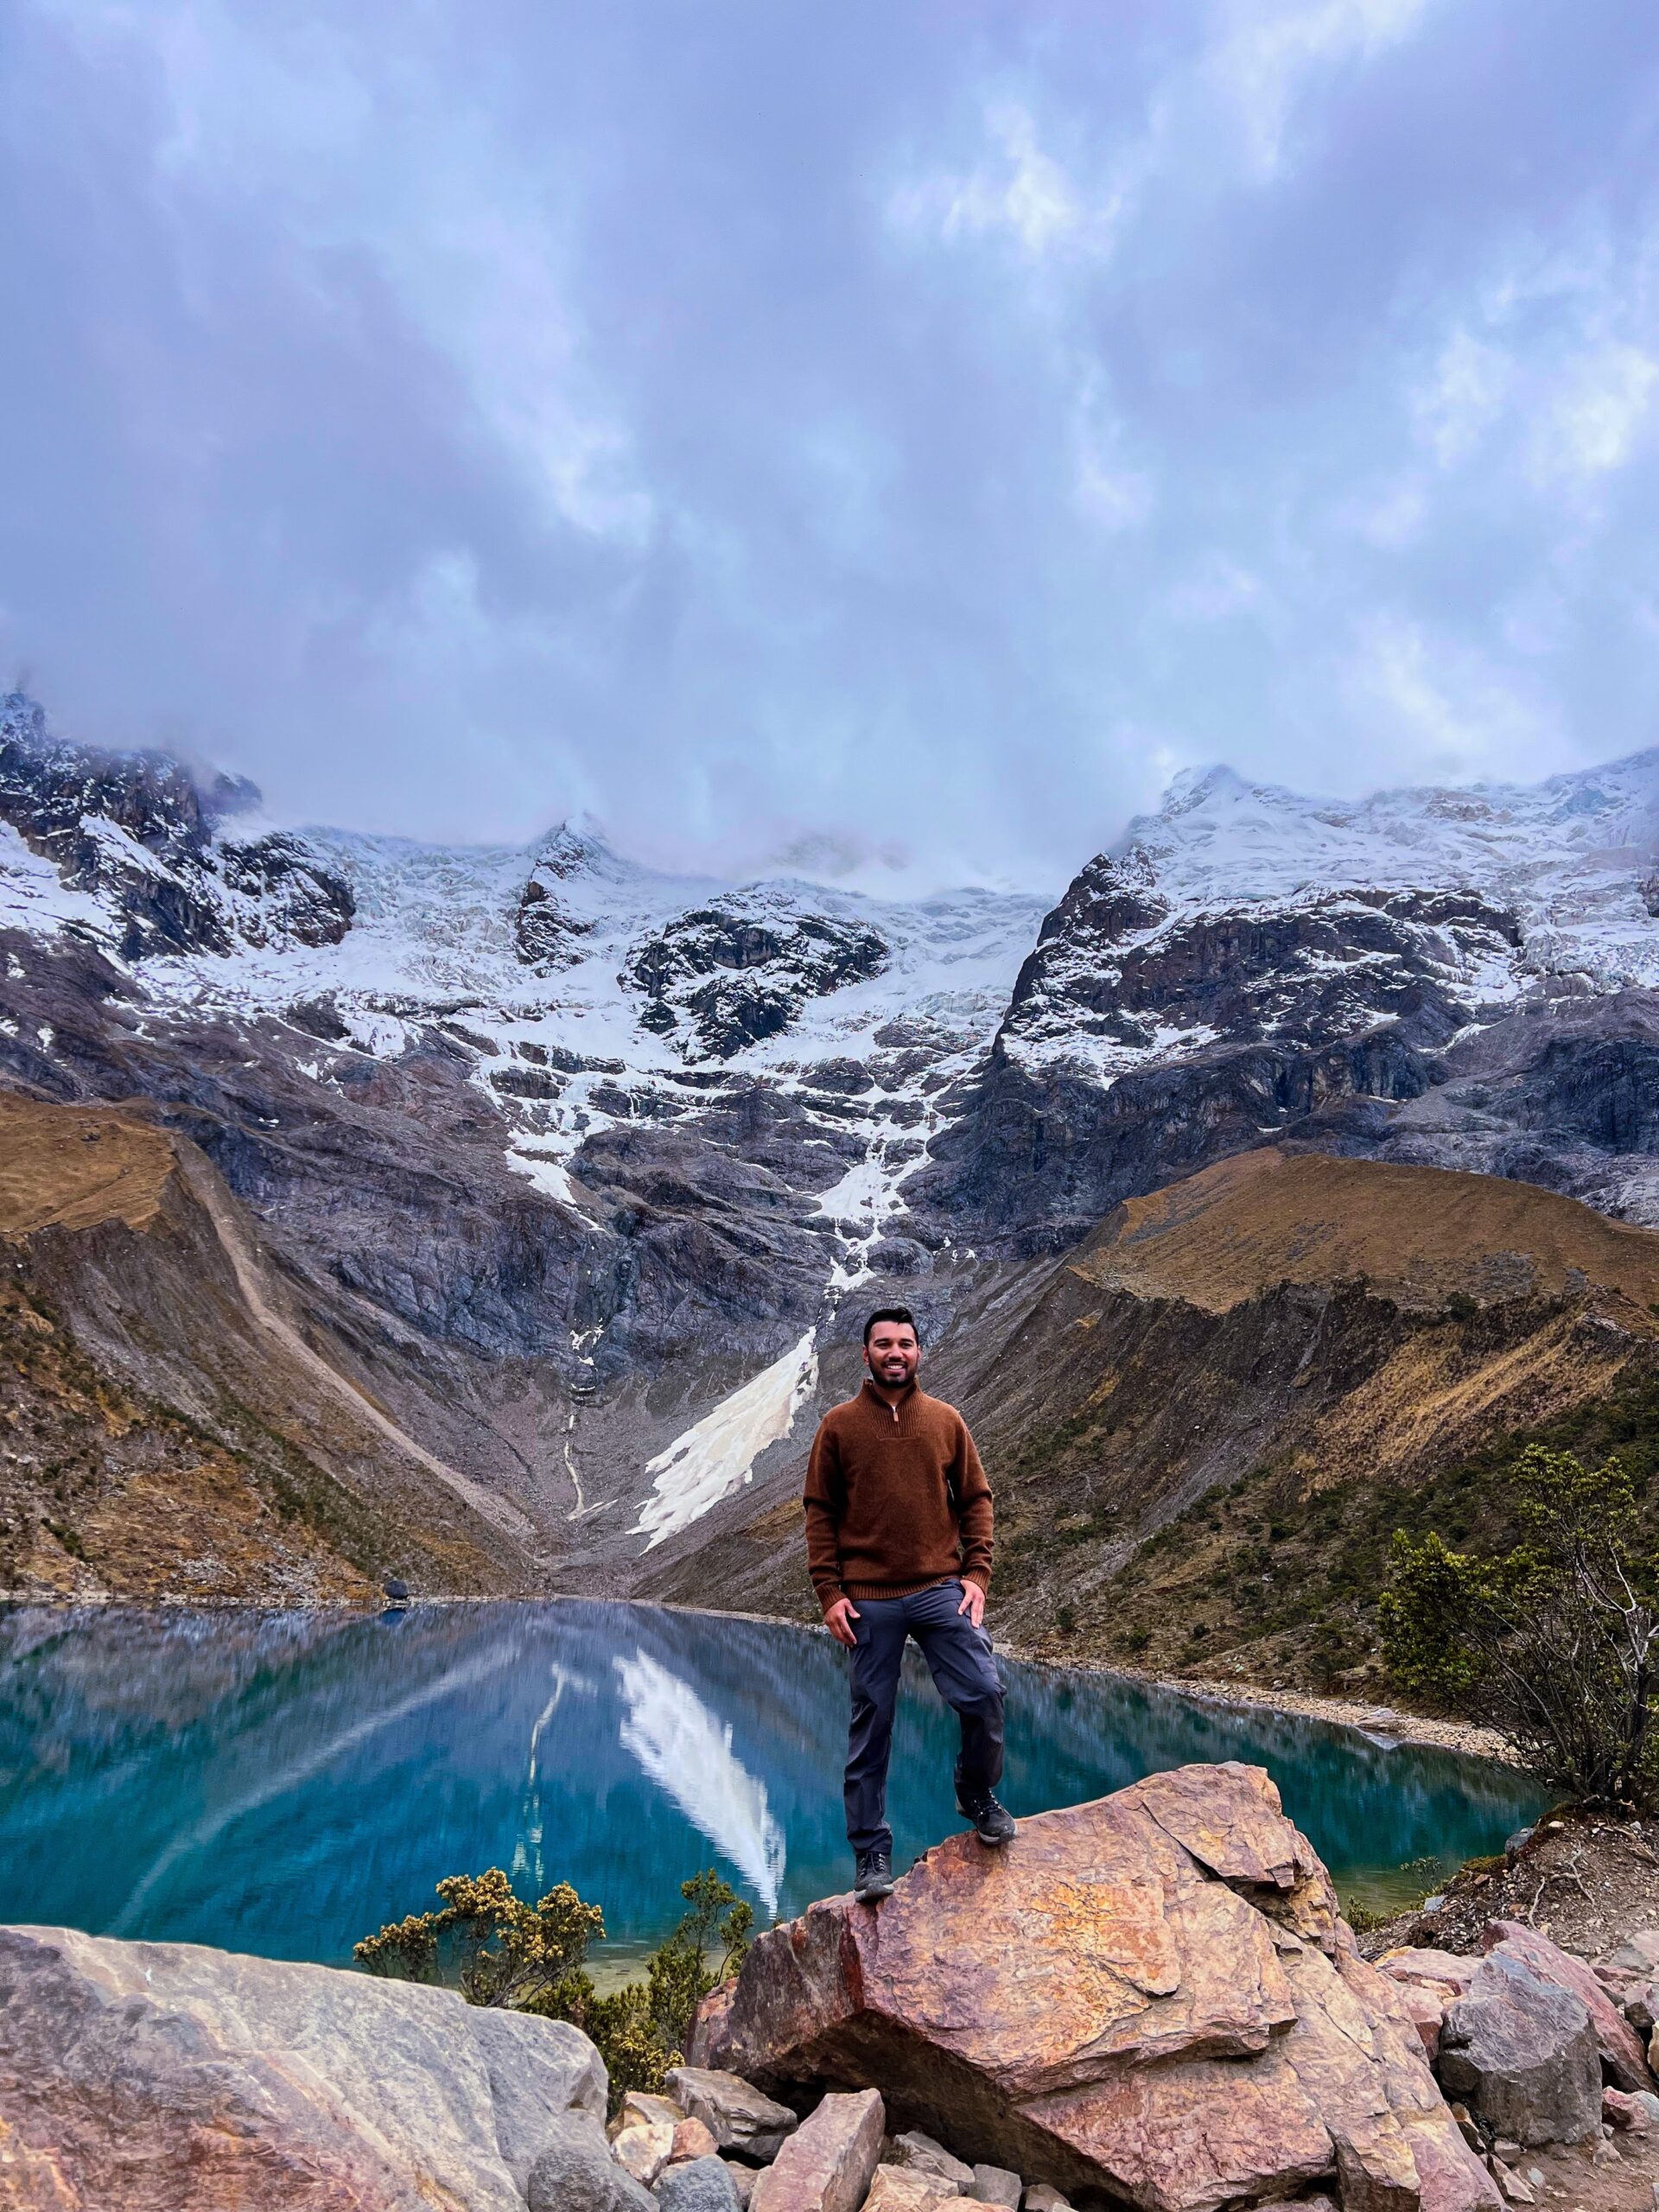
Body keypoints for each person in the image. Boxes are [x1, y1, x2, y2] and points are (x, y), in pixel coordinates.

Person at [803, 1305, 1013, 1903]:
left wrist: (976, 1572)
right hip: (868, 1599)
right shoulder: (838, 1427)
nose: (895, 1353)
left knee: (984, 1692)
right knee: (872, 1725)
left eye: (905, 1343)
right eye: (884, 1344)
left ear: (920, 1352)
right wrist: (830, 1593)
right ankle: (871, 1851)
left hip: (940, 1589)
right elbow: (820, 1513)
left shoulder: (945, 1421)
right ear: (865, 1354)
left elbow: (977, 1498)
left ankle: (976, 1792)